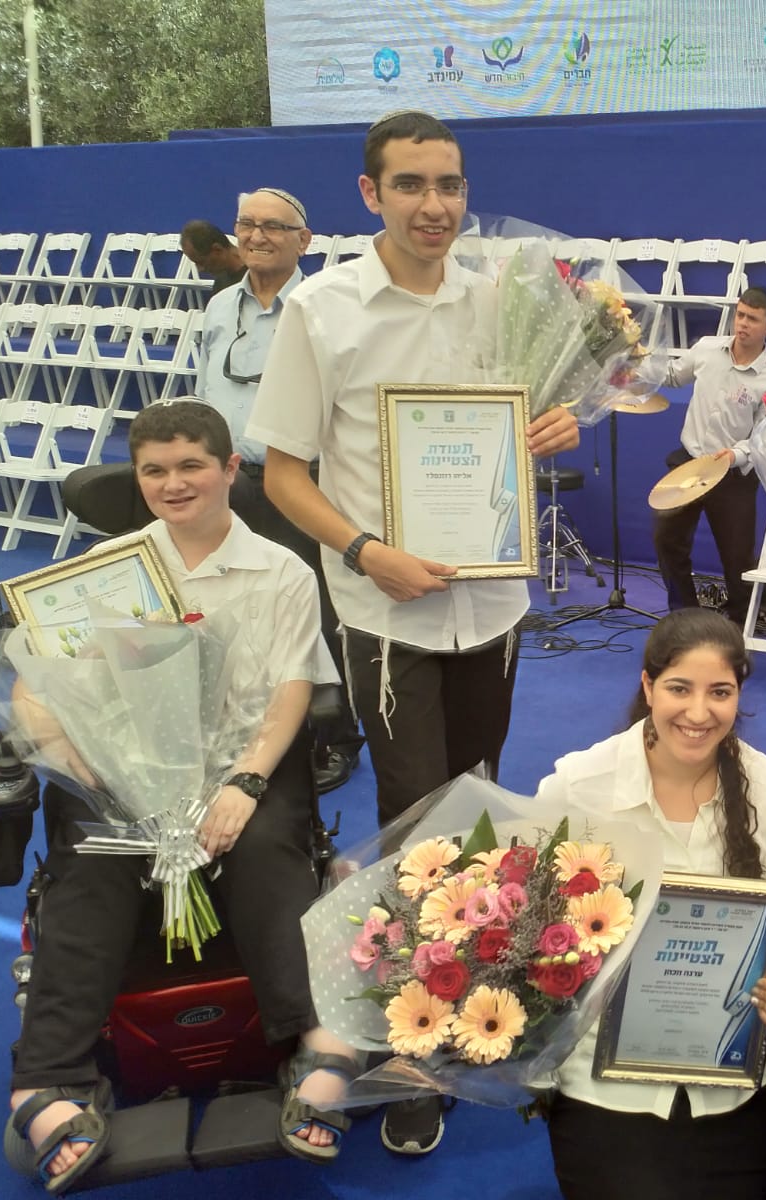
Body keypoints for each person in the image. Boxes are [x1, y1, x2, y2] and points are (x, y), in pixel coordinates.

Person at [245, 109, 580, 1156]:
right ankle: (414, 1047)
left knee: (476, 808)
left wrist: (556, 423)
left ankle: (476, 1009)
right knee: (414, 819)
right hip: (386, 608)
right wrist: (363, 550)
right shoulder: (324, 309)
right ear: (369, 193)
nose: (435, 206)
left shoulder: (500, 300)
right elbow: (283, 473)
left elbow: (516, 432)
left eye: (450, 184)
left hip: (491, 601)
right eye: (411, 185)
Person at [5, 402, 356, 1191]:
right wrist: (63, 747)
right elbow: (33, 684)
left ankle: (318, 1040)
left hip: (244, 760)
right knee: (91, 857)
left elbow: (291, 688)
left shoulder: (282, 571)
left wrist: (245, 782)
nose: (173, 483)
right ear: (138, 478)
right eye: (155, 470)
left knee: (263, 845)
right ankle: (47, 1074)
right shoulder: (109, 570)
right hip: (127, 764)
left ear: (230, 469)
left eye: (191, 465)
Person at [534, 608, 766, 1200]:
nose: (699, 712)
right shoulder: (578, 786)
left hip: (727, 1071)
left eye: (720, 692)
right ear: (648, 684)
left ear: (739, 694)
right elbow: (530, 923)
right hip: (602, 1071)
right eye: (679, 688)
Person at [197, 185, 363, 793]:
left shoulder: (325, 308)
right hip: (230, 485)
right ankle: (255, 732)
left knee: (317, 611)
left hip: (304, 483)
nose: (256, 236)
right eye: (246, 224)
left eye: (273, 226)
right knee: (238, 610)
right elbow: (207, 389)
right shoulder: (220, 307)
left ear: (304, 240)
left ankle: (335, 735)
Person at [652, 286, 766, 626]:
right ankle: (683, 612)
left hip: (732, 474)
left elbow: (765, 437)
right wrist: (634, 362)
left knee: (737, 558)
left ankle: (739, 623)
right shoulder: (706, 349)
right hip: (690, 461)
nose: (742, 324)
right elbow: (672, 376)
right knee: (667, 539)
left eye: (752, 319)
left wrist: (736, 454)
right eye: (740, 315)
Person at [179, 220, 245, 296]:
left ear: (217, 249)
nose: (200, 269)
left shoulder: (255, 276)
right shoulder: (220, 283)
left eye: (201, 262)